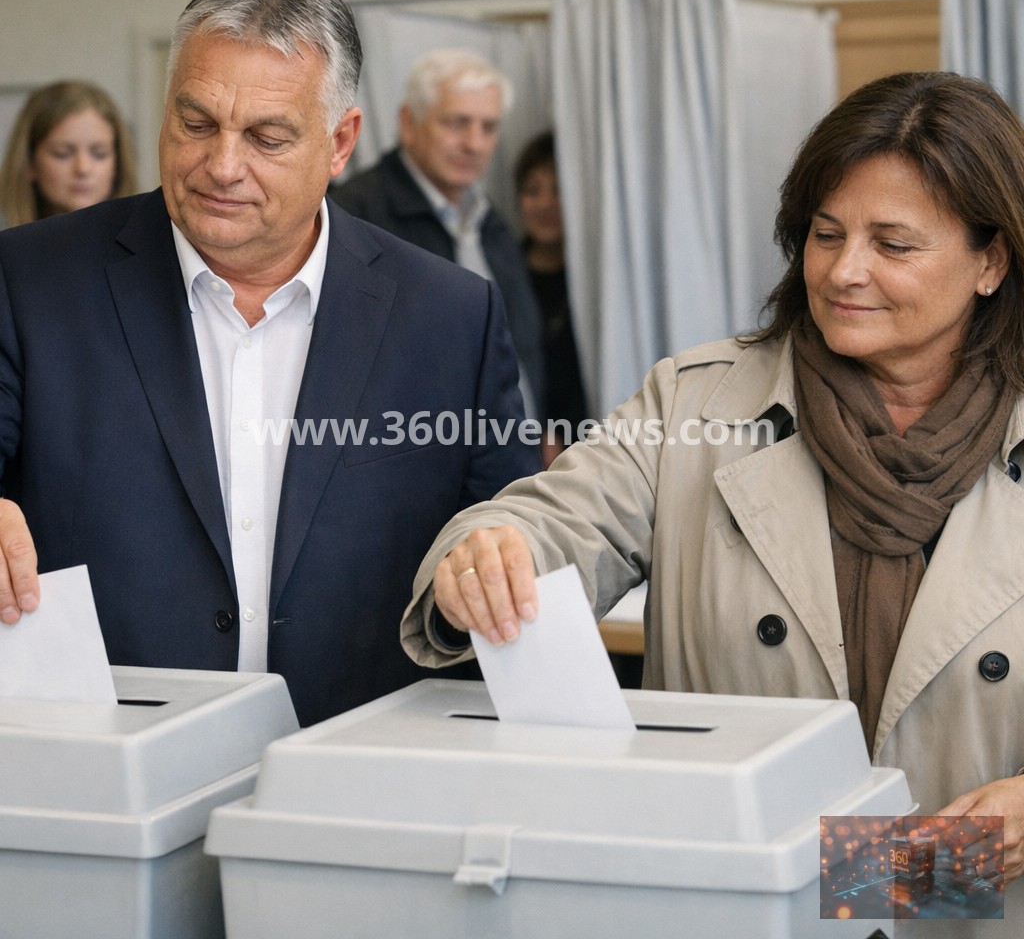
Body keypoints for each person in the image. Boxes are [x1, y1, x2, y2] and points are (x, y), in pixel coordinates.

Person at [402, 72, 1024, 901]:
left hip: (972, 906)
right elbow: (552, 521)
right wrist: (488, 555)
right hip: (736, 896)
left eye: (893, 244)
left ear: (990, 261)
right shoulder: (696, 402)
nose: (844, 271)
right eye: (826, 234)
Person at [0, 0, 537, 727]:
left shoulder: (449, 315)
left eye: (266, 137)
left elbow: (514, 533)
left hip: (354, 771)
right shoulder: (29, 282)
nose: (222, 166)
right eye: (195, 124)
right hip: (102, 763)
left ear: (340, 141)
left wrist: (489, 568)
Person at [329, 49, 544, 419]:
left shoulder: (490, 220)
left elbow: (523, 339)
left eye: (488, 127)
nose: (474, 144)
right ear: (409, 123)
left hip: (511, 444)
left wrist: (541, 426)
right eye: (457, 123)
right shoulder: (352, 215)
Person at [514, 130, 587, 467]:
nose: (545, 204)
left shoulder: (595, 282)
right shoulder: (505, 271)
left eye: (559, 190)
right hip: (528, 442)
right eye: (532, 191)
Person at [0, 80, 137, 228]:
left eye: (99, 154)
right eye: (62, 153)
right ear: (29, 162)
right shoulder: (7, 243)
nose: (83, 169)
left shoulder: (147, 237)